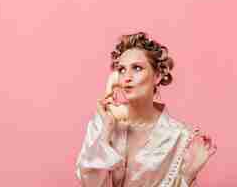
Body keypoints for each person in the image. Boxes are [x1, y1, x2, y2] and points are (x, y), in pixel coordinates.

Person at [75, 32, 217, 187]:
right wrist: (105, 133)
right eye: (122, 70)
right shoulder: (101, 124)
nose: (127, 77)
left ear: (157, 76)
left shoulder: (182, 138)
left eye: (136, 68)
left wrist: (187, 177)